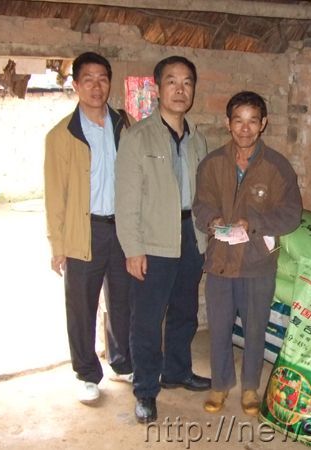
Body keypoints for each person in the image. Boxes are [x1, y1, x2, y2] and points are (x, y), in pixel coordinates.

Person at [192, 91, 302, 416]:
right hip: (220, 262)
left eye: (252, 121)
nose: (245, 128)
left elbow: (291, 215)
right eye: (238, 121)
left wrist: (253, 223)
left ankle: (251, 387)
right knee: (219, 327)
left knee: (256, 328)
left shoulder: (277, 167)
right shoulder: (212, 164)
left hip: (257, 264)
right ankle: (220, 384)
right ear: (228, 123)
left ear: (263, 123)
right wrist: (212, 220)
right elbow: (201, 204)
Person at [115, 56, 210, 424]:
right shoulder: (138, 137)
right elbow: (126, 200)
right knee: (147, 319)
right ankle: (145, 390)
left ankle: (177, 371)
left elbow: (204, 193)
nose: (180, 89)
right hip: (153, 240)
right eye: (172, 81)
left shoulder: (197, 139)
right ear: (158, 88)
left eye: (187, 82)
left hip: (190, 235)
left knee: (185, 311)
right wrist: (133, 249)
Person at [44, 52, 133, 405]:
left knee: (123, 300)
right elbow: (55, 194)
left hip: (122, 229)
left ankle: (122, 363)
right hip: (84, 230)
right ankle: (86, 374)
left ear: (109, 83)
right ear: (76, 85)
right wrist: (57, 245)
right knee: (82, 305)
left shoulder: (124, 125)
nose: (97, 87)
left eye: (102, 79)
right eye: (88, 80)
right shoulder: (61, 135)